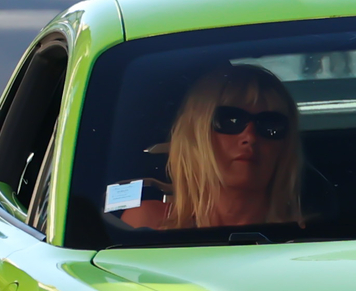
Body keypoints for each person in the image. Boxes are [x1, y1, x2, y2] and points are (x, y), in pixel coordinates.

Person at [120, 65, 305, 231]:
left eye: (270, 125)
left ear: (285, 144)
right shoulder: (146, 225)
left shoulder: (309, 239)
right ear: (195, 133)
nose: (250, 137)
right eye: (230, 121)